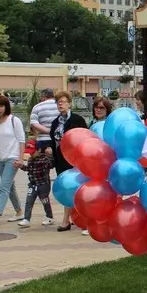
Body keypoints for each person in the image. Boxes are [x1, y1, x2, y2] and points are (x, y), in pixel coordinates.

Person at [49, 91, 88, 231]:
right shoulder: (55, 122)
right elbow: (52, 140)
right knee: (66, 187)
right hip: (60, 160)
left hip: (75, 160)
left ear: (69, 104)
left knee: (77, 187)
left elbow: (85, 138)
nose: (60, 104)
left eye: (63, 101)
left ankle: (72, 219)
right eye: (58, 102)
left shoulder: (77, 120)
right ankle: (69, 218)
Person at [0, 95, 26, 225]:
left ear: (6, 107)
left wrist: (20, 159)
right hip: (0, 159)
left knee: (4, 186)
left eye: (1, 106)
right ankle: (19, 212)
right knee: (10, 186)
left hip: (12, 159)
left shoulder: (14, 120)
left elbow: (22, 141)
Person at [19, 140, 54, 228]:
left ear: (39, 150)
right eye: (29, 152)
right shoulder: (30, 160)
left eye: (32, 152)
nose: (30, 154)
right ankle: (26, 219)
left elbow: (51, 165)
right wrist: (21, 166)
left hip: (43, 184)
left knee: (45, 201)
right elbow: (29, 169)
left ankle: (49, 217)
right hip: (33, 184)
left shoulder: (45, 159)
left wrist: (50, 155)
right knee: (29, 201)